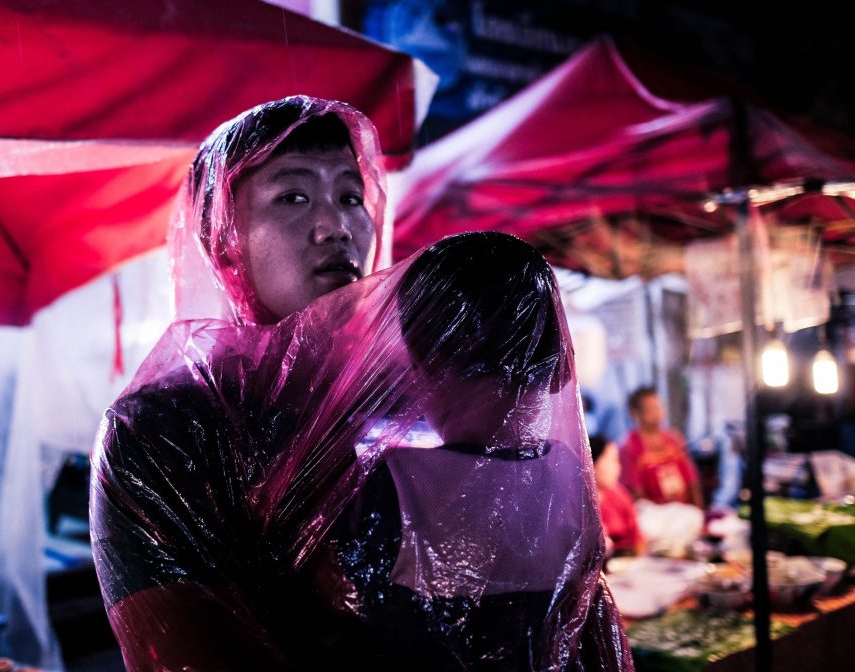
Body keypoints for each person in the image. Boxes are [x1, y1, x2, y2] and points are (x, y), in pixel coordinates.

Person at [91, 96, 632, 670]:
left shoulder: (407, 397)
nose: (336, 228)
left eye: (351, 198)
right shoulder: (162, 429)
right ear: (220, 234)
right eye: (293, 197)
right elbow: (181, 650)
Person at [620, 386, 703, 508]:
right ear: (635, 413)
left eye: (659, 406)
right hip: (654, 513)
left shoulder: (674, 439)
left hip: (685, 510)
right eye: (651, 408)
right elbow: (635, 492)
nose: (657, 412)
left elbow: (691, 480)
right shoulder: (629, 447)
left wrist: (699, 510)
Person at [590, 435, 644, 557]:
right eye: (612, 461)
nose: (618, 468)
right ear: (591, 463)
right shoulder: (577, 505)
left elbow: (637, 540)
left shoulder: (620, 495)